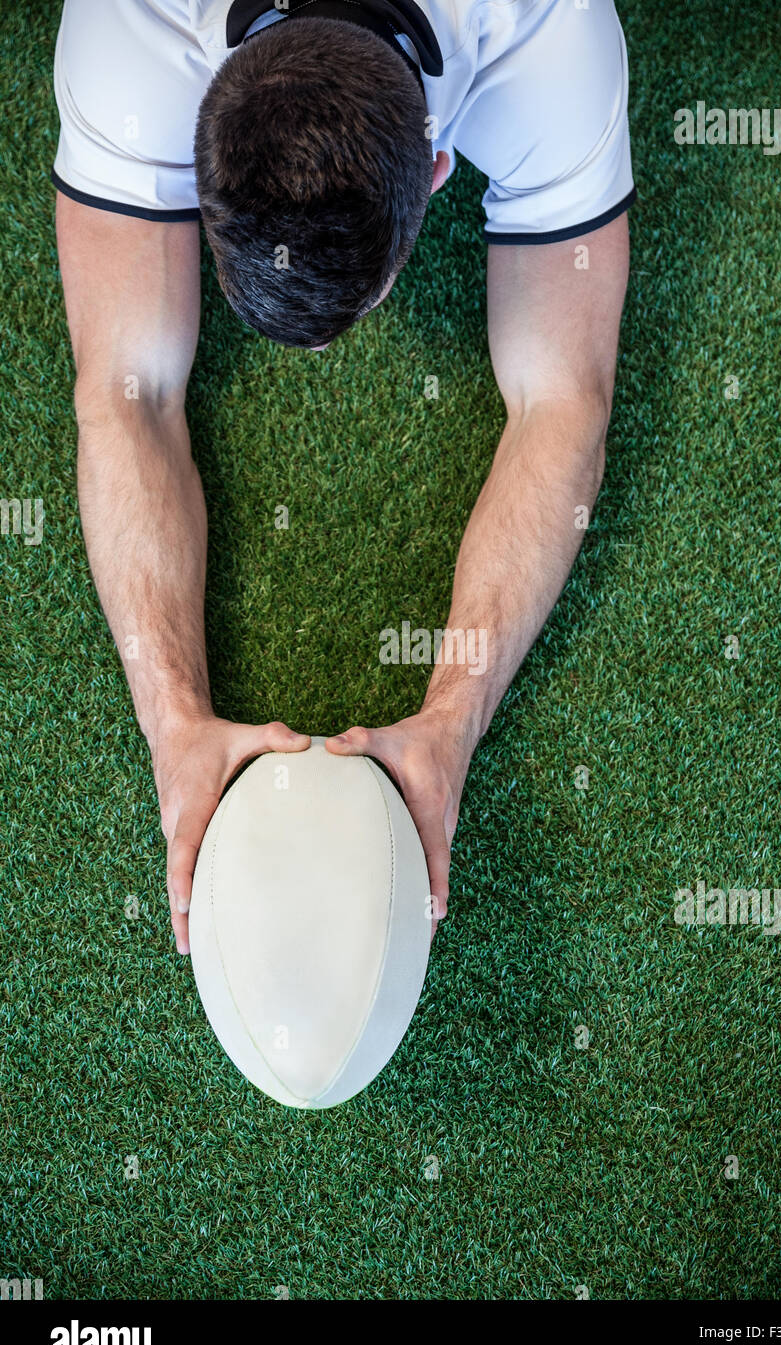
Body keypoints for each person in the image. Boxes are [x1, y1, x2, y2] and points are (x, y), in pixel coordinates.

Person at [52, 0, 634, 951]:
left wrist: (451, 720)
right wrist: (172, 727)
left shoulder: (550, 36)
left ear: (438, 167)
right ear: (189, 170)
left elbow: (563, 399)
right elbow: (125, 393)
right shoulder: (127, 31)